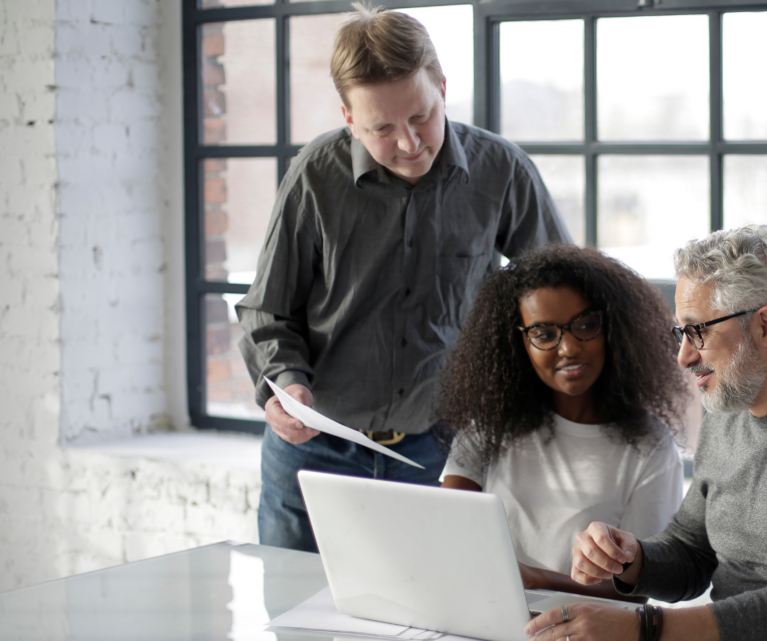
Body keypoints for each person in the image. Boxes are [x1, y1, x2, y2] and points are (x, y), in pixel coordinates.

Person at [236, 5, 571, 552]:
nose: (409, 143)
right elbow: (267, 311)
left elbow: (561, 294)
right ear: (348, 118)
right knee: (298, 624)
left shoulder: (501, 170)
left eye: (421, 116)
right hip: (315, 454)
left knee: (433, 627)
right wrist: (284, 382)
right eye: (382, 128)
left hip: (444, 453)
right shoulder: (315, 175)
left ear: (442, 86)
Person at [526, 224, 767, 641]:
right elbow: (692, 552)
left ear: (766, 326)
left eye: (698, 330)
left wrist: (644, 628)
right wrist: (628, 559)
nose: (683, 357)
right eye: (681, 332)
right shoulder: (730, 403)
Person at [438, 244, 689, 602]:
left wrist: (534, 579)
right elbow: (446, 531)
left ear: (613, 328)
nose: (568, 348)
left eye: (585, 325)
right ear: (517, 342)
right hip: (484, 619)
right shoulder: (488, 428)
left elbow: (637, 591)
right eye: (544, 334)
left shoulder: (651, 446)